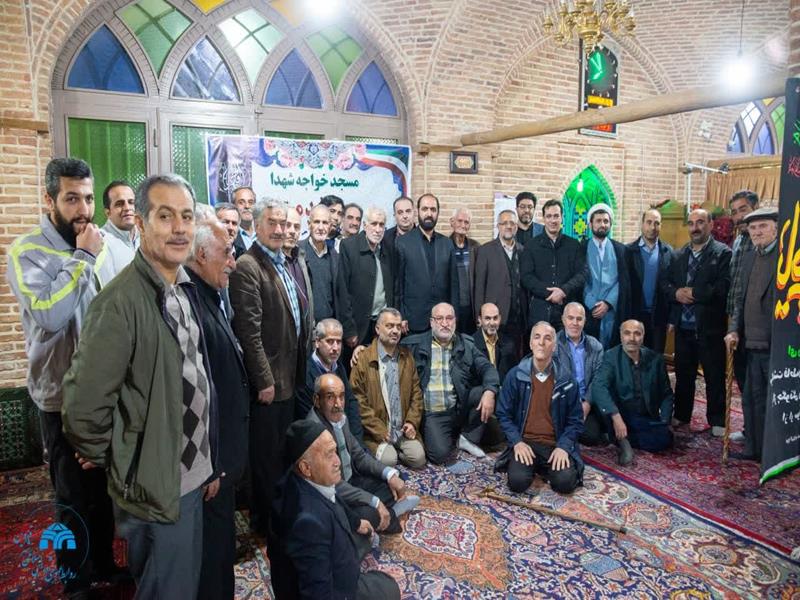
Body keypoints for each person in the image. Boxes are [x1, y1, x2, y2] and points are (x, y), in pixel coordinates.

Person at [62, 174, 220, 598]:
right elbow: (82, 411)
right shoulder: (120, 303)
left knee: (184, 585)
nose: (180, 228)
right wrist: (126, 462)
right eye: (165, 217)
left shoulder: (182, 288)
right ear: (141, 224)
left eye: (186, 216)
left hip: (189, 478)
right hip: (155, 488)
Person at [7, 158, 121, 598]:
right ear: (49, 199)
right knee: (72, 496)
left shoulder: (97, 243)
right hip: (59, 399)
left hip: (101, 395)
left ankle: (106, 564)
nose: (83, 209)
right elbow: (51, 316)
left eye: (88, 198)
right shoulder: (27, 251)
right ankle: (76, 580)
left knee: (103, 490)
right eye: (72, 199)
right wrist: (83, 258)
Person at [229, 198, 314, 537]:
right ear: (257, 225)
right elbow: (248, 332)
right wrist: (264, 380)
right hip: (269, 384)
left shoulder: (282, 260)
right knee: (265, 460)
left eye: (283, 223)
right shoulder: (248, 266)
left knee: (281, 454)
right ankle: (265, 525)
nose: (280, 229)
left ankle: (280, 515)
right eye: (272, 223)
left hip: (289, 377)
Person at [185, 220, 251, 600]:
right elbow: (198, 394)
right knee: (212, 558)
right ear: (200, 255)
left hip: (221, 460)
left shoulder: (210, 296)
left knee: (221, 548)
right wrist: (211, 463)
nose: (233, 262)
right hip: (212, 463)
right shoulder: (191, 305)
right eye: (226, 253)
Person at [270, 419, 401, 600]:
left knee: (368, 519)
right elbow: (318, 595)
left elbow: (333, 495)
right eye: (329, 455)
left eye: (335, 452)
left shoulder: (302, 478)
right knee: (391, 590)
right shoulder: (308, 523)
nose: (338, 461)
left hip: (333, 557)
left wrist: (356, 522)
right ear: (306, 467)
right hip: (339, 589)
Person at [308, 373, 420, 533]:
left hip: (351, 480)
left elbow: (359, 456)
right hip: (334, 495)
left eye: (341, 396)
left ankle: (383, 516)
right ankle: (392, 515)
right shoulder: (315, 433)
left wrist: (389, 475)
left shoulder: (340, 417)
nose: (338, 404)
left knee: (394, 479)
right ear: (317, 400)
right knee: (369, 513)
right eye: (330, 397)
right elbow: (334, 485)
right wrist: (374, 501)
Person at [402, 303, 500, 465]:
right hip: (433, 414)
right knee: (439, 455)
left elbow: (487, 368)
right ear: (431, 322)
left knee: (488, 390)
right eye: (439, 319)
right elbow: (387, 346)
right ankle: (442, 434)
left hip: (458, 408)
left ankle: (467, 437)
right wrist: (362, 349)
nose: (445, 323)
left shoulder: (466, 344)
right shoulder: (413, 345)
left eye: (449, 318)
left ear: (455, 321)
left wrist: (490, 392)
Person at [495, 321, 584, 494]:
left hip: (554, 443)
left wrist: (563, 447)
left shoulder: (567, 380)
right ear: (530, 344)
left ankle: (544, 468)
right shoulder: (515, 375)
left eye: (547, 338)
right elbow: (503, 414)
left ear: (554, 346)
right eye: (537, 337)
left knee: (565, 484)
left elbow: (576, 420)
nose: (541, 342)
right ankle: (535, 468)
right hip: (526, 442)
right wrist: (517, 442)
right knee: (517, 483)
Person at [664, 208, 731, 436]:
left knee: (714, 375)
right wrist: (676, 294)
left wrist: (694, 293)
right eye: (691, 223)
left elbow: (723, 288)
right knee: (684, 375)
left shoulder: (722, 253)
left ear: (710, 225)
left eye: (700, 222)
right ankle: (682, 415)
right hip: (684, 327)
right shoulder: (679, 254)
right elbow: (666, 284)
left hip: (710, 328)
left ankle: (717, 420)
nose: (695, 228)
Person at [725, 206, 779, 462]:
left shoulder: (786, 259)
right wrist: (733, 330)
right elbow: (740, 301)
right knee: (751, 399)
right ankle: (753, 449)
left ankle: (774, 452)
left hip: (776, 345)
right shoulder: (749, 257)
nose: (757, 232)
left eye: (763, 226)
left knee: (774, 401)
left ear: (776, 229)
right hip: (750, 343)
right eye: (753, 228)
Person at [350, 308, 426, 469]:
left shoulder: (407, 356)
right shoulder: (363, 358)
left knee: (418, 459)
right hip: (377, 432)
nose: (395, 331)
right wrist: (379, 430)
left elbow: (417, 394)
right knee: (389, 461)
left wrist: (412, 422)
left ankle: (396, 448)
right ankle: (389, 451)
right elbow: (358, 401)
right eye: (389, 326)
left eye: (398, 326)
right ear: (378, 329)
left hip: (402, 429)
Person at [591, 320, 674, 465]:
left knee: (665, 439)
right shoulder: (611, 357)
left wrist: (665, 420)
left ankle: (621, 438)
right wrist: (616, 417)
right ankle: (619, 435)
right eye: (627, 333)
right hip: (619, 414)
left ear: (643, 336)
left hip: (644, 415)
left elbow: (667, 393)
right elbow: (598, 386)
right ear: (621, 336)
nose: (632, 338)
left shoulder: (656, 359)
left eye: (637, 334)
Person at [336, 206, 394, 369]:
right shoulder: (349, 246)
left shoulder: (388, 248)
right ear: (365, 225)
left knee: (379, 372)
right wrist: (349, 329)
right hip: (358, 325)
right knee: (355, 371)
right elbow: (343, 291)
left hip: (382, 324)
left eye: (381, 225)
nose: (377, 229)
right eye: (373, 224)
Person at [394, 193, 458, 333]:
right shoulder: (403, 242)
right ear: (417, 212)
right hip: (413, 320)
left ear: (438, 213)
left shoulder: (447, 244)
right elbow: (398, 285)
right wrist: (401, 316)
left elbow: (454, 285)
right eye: (425, 209)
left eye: (433, 210)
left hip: (442, 321)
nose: (429, 214)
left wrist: (453, 316)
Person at [520, 199, 585, 330]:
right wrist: (549, 294)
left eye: (556, 216)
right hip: (540, 310)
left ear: (562, 218)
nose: (553, 220)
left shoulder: (574, 245)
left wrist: (563, 291)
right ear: (544, 218)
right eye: (549, 216)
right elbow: (526, 277)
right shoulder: (531, 246)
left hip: (567, 311)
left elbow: (582, 274)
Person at [295, 319, 365, 442]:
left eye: (339, 342)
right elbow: (311, 420)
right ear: (317, 342)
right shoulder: (305, 374)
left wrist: (356, 442)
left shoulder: (339, 367)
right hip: (323, 442)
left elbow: (351, 403)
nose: (335, 348)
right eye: (330, 341)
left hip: (348, 439)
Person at [725, 190, 759, 442]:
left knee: (756, 383)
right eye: (735, 212)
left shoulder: (762, 243)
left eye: (743, 210)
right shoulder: (738, 242)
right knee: (743, 379)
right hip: (736, 321)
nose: (739, 217)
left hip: (755, 323)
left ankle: (759, 435)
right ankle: (750, 429)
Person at [474, 209, 527, 363]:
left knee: (515, 358)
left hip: (518, 317)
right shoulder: (485, 250)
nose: (508, 226)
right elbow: (479, 286)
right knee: (495, 359)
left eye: (512, 223)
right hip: (495, 317)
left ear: (516, 226)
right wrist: (479, 315)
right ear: (498, 226)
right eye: (504, 223)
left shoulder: (523, 251)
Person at [555, 302, 605, 446]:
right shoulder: (553, 344)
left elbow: (598, 379)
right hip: (561, 402)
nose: (575, 323)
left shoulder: (595, 346)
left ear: (584, 321)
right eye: (570, 318)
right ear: (563, 320)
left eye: (579, 319)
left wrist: (587, 403)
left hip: (585, 403)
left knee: (591, 437)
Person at [581, 203, 631, 349]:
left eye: (606, 221)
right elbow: (580, 280)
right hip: (589, 310)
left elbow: (623, 280)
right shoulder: (581, 248)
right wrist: (593, 304)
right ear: (590, 224)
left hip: (612, 310)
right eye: (598, 221)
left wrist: (608, 303)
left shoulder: (621, 249)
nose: (602, 225)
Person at [625, 208, 674, 354]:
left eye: (657, 223)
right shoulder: (628, 251)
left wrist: (672, 318)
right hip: (634, 314)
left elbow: (672, 285)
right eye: (649, 222)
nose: (653, 227)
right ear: (642, 224)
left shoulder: (668, 252)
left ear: (661, 226)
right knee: (634, 356)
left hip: (659, 316)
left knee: (656, 358)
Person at [300, 203, 338, 322]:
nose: (321, 228)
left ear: (330, 226)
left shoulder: (335, 256)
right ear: (309, 224)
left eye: (325, 223)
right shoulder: (297, 251)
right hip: (304, 325)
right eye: (317, 222)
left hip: (329, 326)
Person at [449, 208, 479, 334]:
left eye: (466, 222)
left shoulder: (475, 247)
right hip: (452, 306)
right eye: (459, 221)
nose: (463, 225)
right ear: (452, 222)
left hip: (471, 307)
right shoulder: (444, 245)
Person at [283, 206, 314, 327]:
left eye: (296, 227)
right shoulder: (271, 262)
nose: (292, 231)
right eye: (287, 225)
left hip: (304, 334)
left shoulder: (302, 260)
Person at [473, 303, 518, 383]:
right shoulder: (471, 344)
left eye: (495, 318)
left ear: (500, 319)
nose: (492, 323)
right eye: (487, 318)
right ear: (480, 320)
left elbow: (513, 374)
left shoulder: (509, 344)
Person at [102, 179, 139, 266]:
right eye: (119, 204)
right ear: (108, 213)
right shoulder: (100, 242)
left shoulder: (146, 237)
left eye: (131, 202)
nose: (127, 208)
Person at [232, 186, 257, 251]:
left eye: (250, 202)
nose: (247, 206)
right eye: (241, 202)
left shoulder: (263, 233)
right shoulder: (229, 235)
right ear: (233, 206)